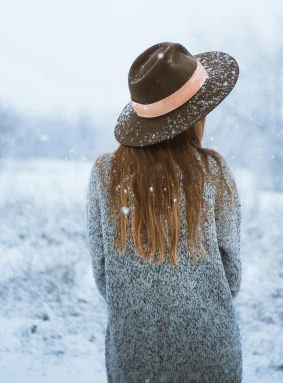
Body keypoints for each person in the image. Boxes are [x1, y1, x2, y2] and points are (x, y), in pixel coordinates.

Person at [86, 41, 243, 383]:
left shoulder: (104, 174)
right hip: (210, 350)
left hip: (133, 355)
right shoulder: (214, 170)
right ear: (194, 116)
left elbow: (103, 274)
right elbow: (231, 269)